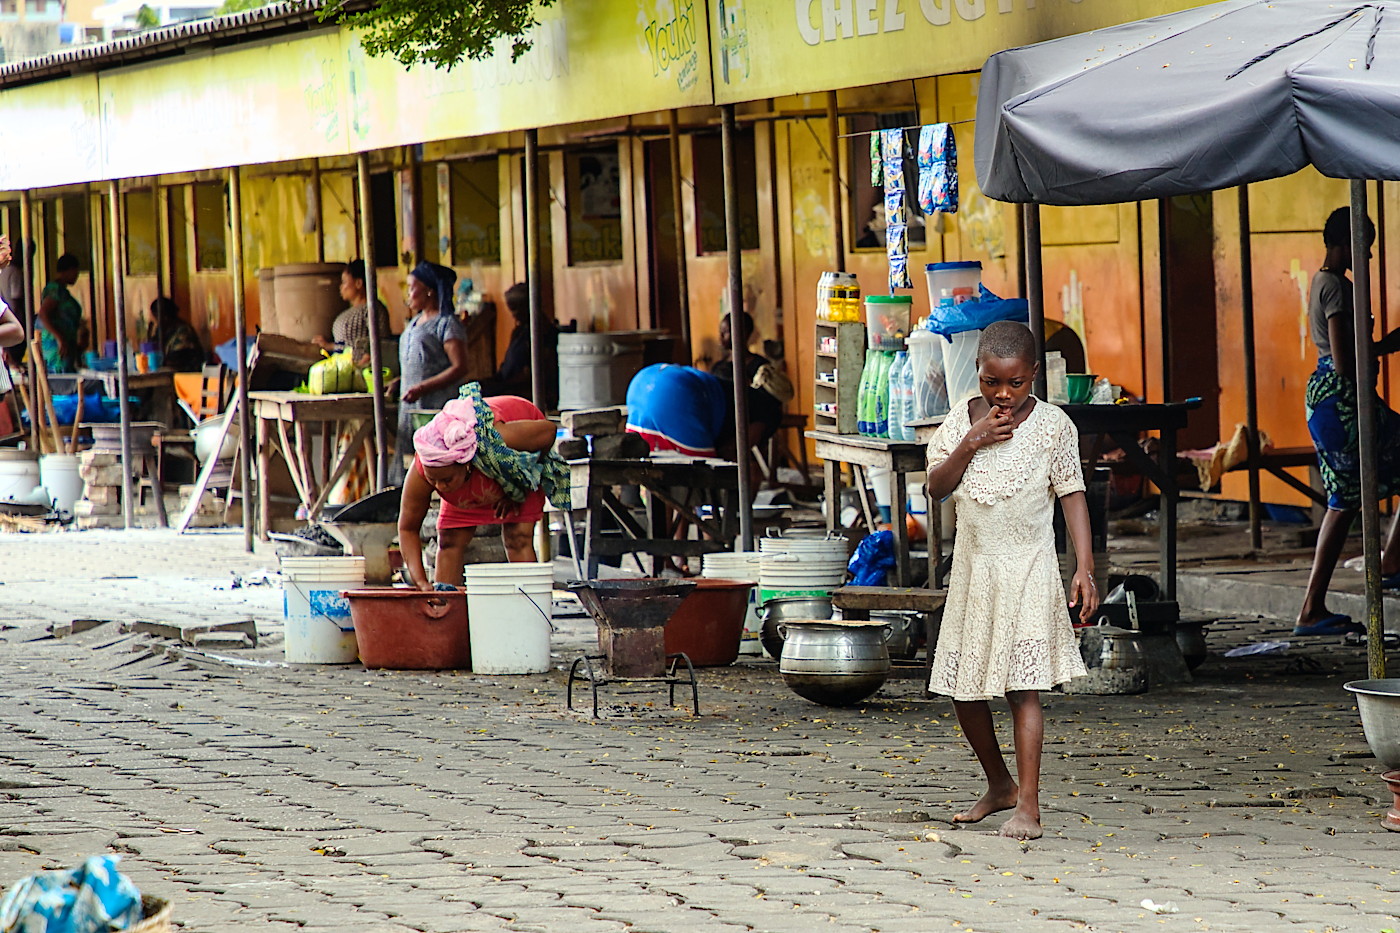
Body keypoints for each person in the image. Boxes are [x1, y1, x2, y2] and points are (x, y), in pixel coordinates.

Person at [924, 320, 1098, 841]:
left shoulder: (1053, 427)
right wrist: (971, 442)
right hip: (974, 573)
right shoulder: (962, 421)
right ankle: (998, 784)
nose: (1004, 394)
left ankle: (1030, 804)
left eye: (1016, 383)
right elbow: (935, 487)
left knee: (1022, 689)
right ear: (976, 371)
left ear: (1034, 376)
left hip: (1028, 569)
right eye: (992, 381)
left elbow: (1072, 496)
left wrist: (1084, 568)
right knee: (964, 688)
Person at [1295, 207, 1400, 636]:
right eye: (1366, 248)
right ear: (1347, 244)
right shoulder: (1337, 287)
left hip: (1328, 402)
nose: (1369, 258)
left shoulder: (1322, 282)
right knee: (1342, 504)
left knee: (1343, 501)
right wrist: (1387, 346)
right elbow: (1344, 361)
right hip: (1342, 402)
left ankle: (1386, 566)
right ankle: (1312, 608)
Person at [397, 389, 560, 588]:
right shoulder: (425, 468)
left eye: (446, 480)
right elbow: (407, 528)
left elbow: (548, 431)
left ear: (466, 463)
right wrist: (421, 582)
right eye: (434, 481)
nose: (440, 487)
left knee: (517, 537)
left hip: (518, 455)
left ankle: (532, 611)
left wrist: (518, 484)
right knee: (449, 539)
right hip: (471, 476)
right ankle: (445, 606)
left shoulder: (496, 440)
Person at [394, 260, 470, 483]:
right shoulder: (416, 322)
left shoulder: (447, 324)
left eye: (411, 287)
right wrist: (401, 382)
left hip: (435, 409)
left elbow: (460, 367)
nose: (408, 293)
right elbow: (418, 365)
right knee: (410, 462)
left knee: (434, 462)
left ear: (428, 290)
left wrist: (422, 387)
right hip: (410, 406)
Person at [479, 282, 557, 405]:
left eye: (515, 309)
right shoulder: (518, 331)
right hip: (507, 384)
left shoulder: (544, 333)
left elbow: (535, 374)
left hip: (525, 391)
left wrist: (502, 385)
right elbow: (506, 367)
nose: (513, 315)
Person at [311, 259, 393, 361]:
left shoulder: (373, 309)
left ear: (358, 283)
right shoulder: (350, 311)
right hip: (343, 364)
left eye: (344, 282)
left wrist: (365, 361)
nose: (341, 287)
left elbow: (381, 343)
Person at [37, 254, 85, 374]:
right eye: (75, 271)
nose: (76, 275)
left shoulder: (63, 292)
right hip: (56, 348)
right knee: (61, 379)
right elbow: (43, 314)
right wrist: (59, 338)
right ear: (68, 270)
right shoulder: (55, 290)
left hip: (67, 346)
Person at [149, 297, 206, 372]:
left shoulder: (184, 332)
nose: (157, 322)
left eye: (156, 317)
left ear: (166, 316)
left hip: (187, 375)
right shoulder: (166, 331)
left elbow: (177, 360)